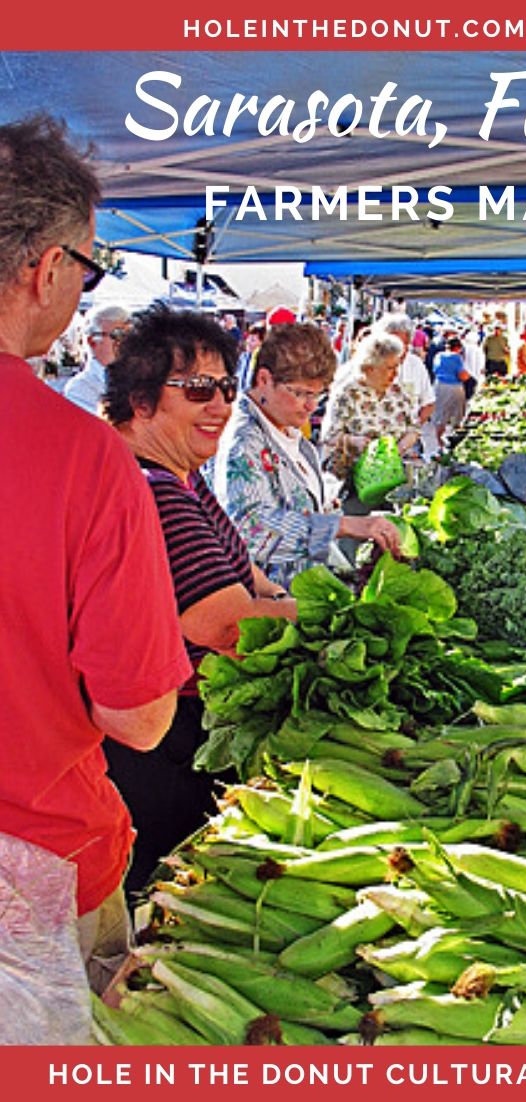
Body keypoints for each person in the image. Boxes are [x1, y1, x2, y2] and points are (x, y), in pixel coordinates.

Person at [0, 115, 191, 1033]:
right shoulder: (84, 457)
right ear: (44, 267)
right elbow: (141, 718)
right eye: (88, 267)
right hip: (33, 872)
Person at [102, 305, 297, 899]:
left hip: (151, 733)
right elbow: (225, 624)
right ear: (141, 400)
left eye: (225, 388)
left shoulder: (177, 476)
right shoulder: (156, 492)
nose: (219, 405)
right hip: (157, 741)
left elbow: (245, 573)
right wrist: (336, 615)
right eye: (196, 390)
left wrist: (276, 593)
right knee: (162, 893)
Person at [211, 322, 401, 590]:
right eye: (301, 393)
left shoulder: (285, 426)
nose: (311, 405)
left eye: (318, 394)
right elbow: (249, 530)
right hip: (267, 606)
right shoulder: (242, 439)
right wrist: (342, 525)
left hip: (302, 594)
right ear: (264, 380)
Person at [321, 331, 421, 482]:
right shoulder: (347, 394)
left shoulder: (397, 392)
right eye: (389, 368)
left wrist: (397, 450)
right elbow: (328, 436)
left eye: (396, 367)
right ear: (369, 368)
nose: (395, 374)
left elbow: (413, 429)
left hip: (390, 477)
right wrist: (353, 441)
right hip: (351, 480)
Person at [375, 312, 436, 454]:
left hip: (408, 445)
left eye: (402, 344)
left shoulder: (415, 365)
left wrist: (413, 430)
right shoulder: (368, 364)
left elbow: (429, 403)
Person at [64, 303, 130, 414]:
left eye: (130, 335)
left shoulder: (142, 379)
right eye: (118, 335)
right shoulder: (79, 388)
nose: (125, 342)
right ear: (93, 341)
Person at [432, 335, 471, 445]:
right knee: (457, 413)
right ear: (458, 347)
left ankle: (439, 440)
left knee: (440, 413)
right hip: (454, 387)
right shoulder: (456, 357)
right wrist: (468, 377)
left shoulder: (438, 356)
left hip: (439, 385)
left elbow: (435, 370)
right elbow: (462, 375)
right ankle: (455, 438)